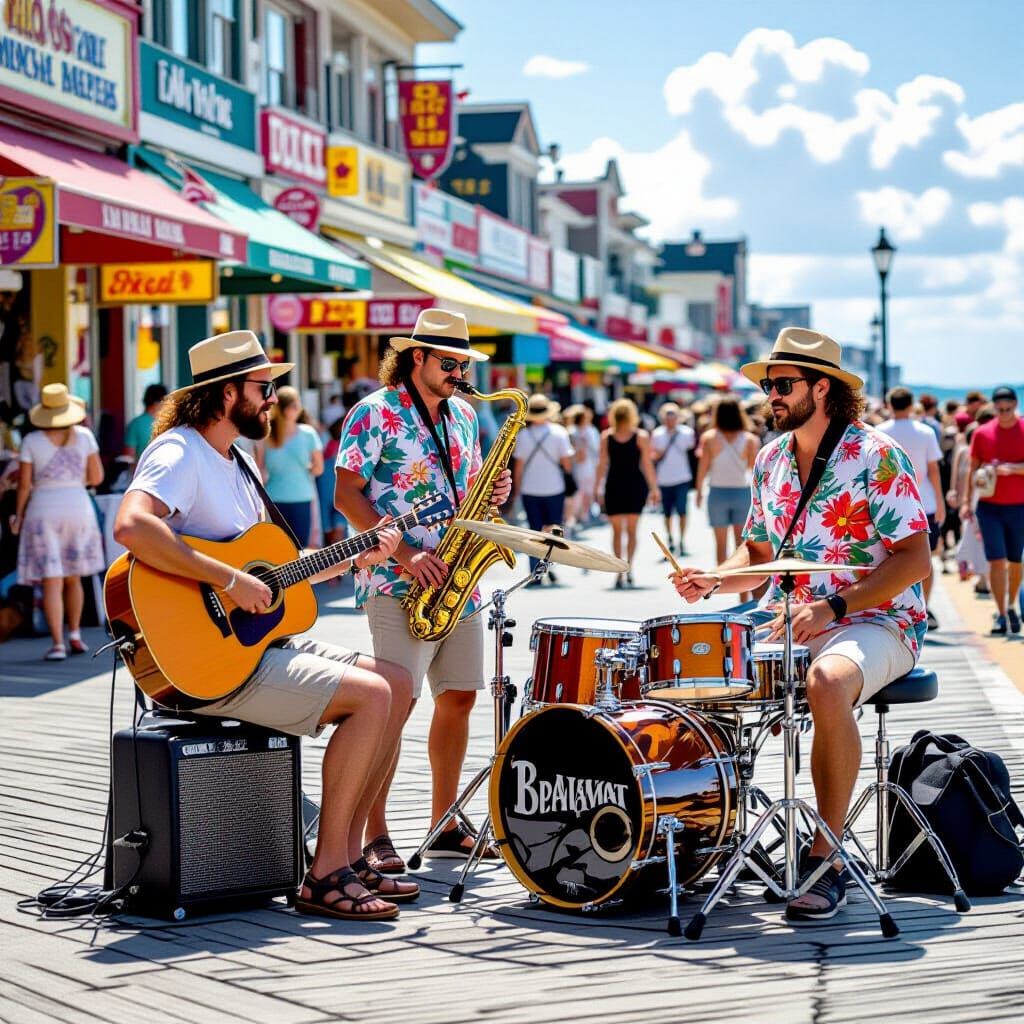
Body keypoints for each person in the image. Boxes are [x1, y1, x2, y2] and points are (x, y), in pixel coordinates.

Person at [113, 331, 416, 922]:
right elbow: (131, 527)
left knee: (399, 683)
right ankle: (324, 875)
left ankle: (346, 856)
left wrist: (354, 558)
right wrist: (227, 581)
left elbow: (274, 577)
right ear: (228, 393)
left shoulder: (241, 462)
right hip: (209, 664)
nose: (274, 397)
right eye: (263, 387)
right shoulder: (180, 451)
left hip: (258, 644)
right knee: (373, 696)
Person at [672, 328, 931, 923]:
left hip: (877, 619)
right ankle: (710, 839)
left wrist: (833, 610)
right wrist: (713, 578)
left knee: (828, 683)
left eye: (782, 385)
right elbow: (758, 557)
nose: (771, 396)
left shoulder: (875, 455)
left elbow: (915, 558)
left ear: (823, 388)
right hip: (791, 618)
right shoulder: (770, 459)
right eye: (768, 385)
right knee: (698, 669)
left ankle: (828, 856)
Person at [334, 309, 512, 870]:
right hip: (397, 579)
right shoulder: (375, 412)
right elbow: (346, 494)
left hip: (459, 580)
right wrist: (408, 555)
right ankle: (373, 831)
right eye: (450, 362)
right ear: (417, 358)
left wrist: (497, 487)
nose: (460, 371)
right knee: (393, 705)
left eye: (464, 362)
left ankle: (442, 821)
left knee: (459, 696)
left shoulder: (462, 414)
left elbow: (473, 489)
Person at [11, 384, 104, 660]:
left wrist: (18, 513)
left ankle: (57, 644)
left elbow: (25, 486)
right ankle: (75, 635)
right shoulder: (85, 436)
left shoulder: (31, 441)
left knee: (52, 581)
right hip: (77, 506)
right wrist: (74, 482)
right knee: (74, 577)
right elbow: (97, 477)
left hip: (43, 509)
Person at [877, 387, 946, 630]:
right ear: (911, 404)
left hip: (889, 505)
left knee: (893, 561)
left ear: (889, 404)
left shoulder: (879, 432)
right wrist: (940, 502)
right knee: (925, 560)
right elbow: (933, 470)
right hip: (922, 501)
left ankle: (897, 608)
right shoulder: (926, 431)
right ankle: (923, 607)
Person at [962, 386, 1024, 635]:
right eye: (1000, 409)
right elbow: (972, 468)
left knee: (1015, 560)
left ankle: (1011, 606)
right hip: (989, 507)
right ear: (994, 408)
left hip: (1019, 506)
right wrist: (967, 502)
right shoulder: (982, 433)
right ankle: (1001, 613)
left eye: (1009, 409)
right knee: (996, 561)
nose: (1005, 413)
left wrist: (1012, 469)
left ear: (1015, 405)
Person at [694, 395, 759, 600]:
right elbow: (752, 468)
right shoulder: (749, 439)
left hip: (718, 492)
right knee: (741, 547)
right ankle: (742, 595)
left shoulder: (710, 437)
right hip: (741, 492)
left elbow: (703, 468)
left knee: (720, 545)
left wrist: (698, 491)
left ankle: (715, 587)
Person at [596, 397, 659, 589]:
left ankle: (619, 570)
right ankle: (629, 567)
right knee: (632, 530)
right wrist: (654, 488)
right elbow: (647, 464)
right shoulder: (641, 436)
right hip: (635, 485)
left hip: (614, 485)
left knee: (616, 532)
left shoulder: (607, 436)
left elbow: (602, 464)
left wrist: (597, 488)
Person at [513, 394, 574, 583]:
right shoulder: (559, 432)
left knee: (533, 532)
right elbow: (567, 464)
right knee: (554, 532)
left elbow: (519, 467)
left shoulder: (523, 435)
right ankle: (550, 564)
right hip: (554, 487)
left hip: (530, 488)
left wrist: (516, 489)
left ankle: (534, 572)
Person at [257, 386, 323, 546]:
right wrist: (306, 468)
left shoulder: (267, 435)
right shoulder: (308, 434)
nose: (299, 408)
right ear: (287, 409)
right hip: (297, 499)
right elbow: (318, 469)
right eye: (296, 404)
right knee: (297, 552)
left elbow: (259, 471)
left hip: (275, 501)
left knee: (279, 552)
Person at [651, 402, 696, 556]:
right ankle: (670, 538)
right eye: (667, 416)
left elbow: (691, 448)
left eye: (673, 416)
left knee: (682, 511)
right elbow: (653, 456)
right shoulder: (657, 434)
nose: (670, 419)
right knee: (667, 513)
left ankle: (682, 539)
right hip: (664, 479)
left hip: (682, 477)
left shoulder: (686, 432)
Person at [123, 383, 168, 461]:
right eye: (166, 401)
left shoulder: (135, 424)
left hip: (142, 471)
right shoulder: (168, 424)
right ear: (157, 402)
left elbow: (129, 458)